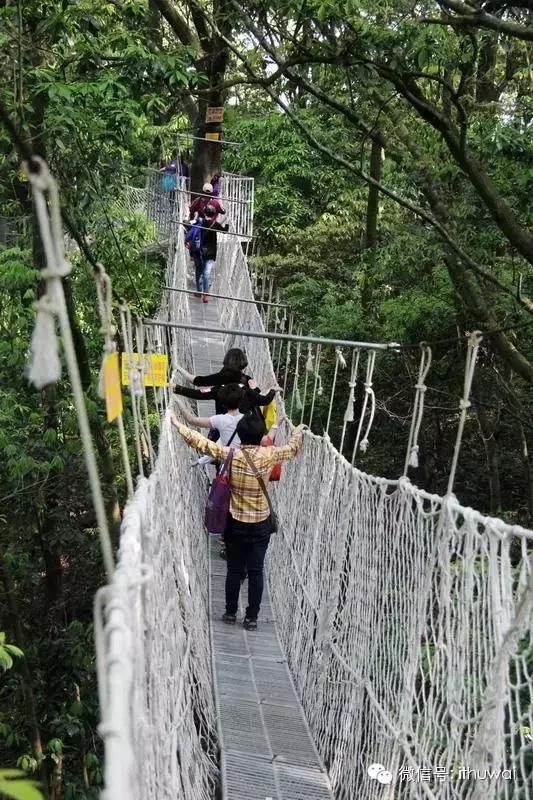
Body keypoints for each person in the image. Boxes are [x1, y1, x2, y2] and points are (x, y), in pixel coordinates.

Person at [171, 410, 306, 629]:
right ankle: (252, 618)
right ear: (261, 435)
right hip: (261, 524)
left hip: (235, 524)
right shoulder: (270, 454)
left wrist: (178, 424)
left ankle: (231, 612)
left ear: (240, 435)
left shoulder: (232, 455)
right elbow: (292, 449)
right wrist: (298, 432)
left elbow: (202, 444)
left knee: (234, 569)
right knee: (256, 570)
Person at [173, 347, 277, 416]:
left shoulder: (219, 386)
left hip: (222, 427)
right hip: (245, 429)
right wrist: (270, 390)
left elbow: (198, 386)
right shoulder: (247, 381)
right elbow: (261, 399)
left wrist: (176, 386)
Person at [191, 204, 228, 303]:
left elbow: (190, 226)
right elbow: (225, 231)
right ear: (214, 214)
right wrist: (227, 223)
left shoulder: (200, 222)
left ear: (205, 213)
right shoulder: (215, 224)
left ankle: (199, 291)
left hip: (200, 251)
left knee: (199, 270)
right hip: (211, 252)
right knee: (206, 273)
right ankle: (206, 294)